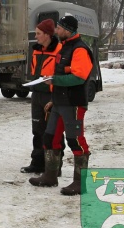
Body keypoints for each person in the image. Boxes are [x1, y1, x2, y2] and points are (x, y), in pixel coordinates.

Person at [29, 15, 93, 195]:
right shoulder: (65, 48)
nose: (56, 31)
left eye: (59, 28)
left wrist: (55, 80)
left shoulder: (80, 49)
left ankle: (80, 182)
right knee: (50, 138)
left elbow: (79, 77)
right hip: (58, 101)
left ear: (67, 29)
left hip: (73, 103)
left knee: (76, 140)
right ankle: (50, 175)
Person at [21, 19, 65, 174]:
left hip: (52, 95)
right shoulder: (36, 49)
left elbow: (62, 74)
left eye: (38, 33)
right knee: (37, 131)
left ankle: (54, 165)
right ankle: (37, 162)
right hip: (37, 94)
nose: (36, 36)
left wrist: (55, 95)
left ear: (47, 35)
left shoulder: (60, 50)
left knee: (53, 132)